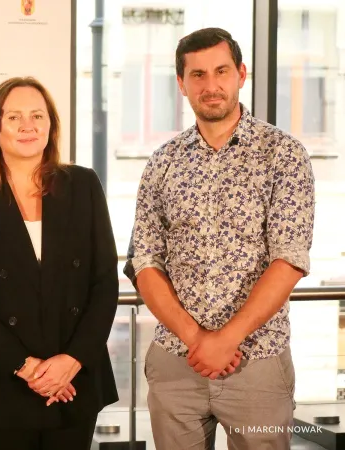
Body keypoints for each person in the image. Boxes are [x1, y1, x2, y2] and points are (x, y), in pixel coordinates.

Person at [124, 28, 314, 450]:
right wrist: (198, 341)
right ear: (181, 83)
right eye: (198, 75)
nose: (211, 85)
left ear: (241, 74)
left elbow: (289, 260)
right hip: (176, 363)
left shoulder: (283, 154)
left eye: (221, 71)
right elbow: (145, 262)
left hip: (257, 362)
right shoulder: (162, 163)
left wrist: (226, 340)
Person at [0, 76, 119, 450]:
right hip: (1, 384)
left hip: (73, 383)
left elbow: (105, 281)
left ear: (51, 124)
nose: (28, 126)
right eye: (14, 117)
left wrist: (71, 361)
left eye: (37, 116)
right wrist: (29, 369)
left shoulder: (83, 185)